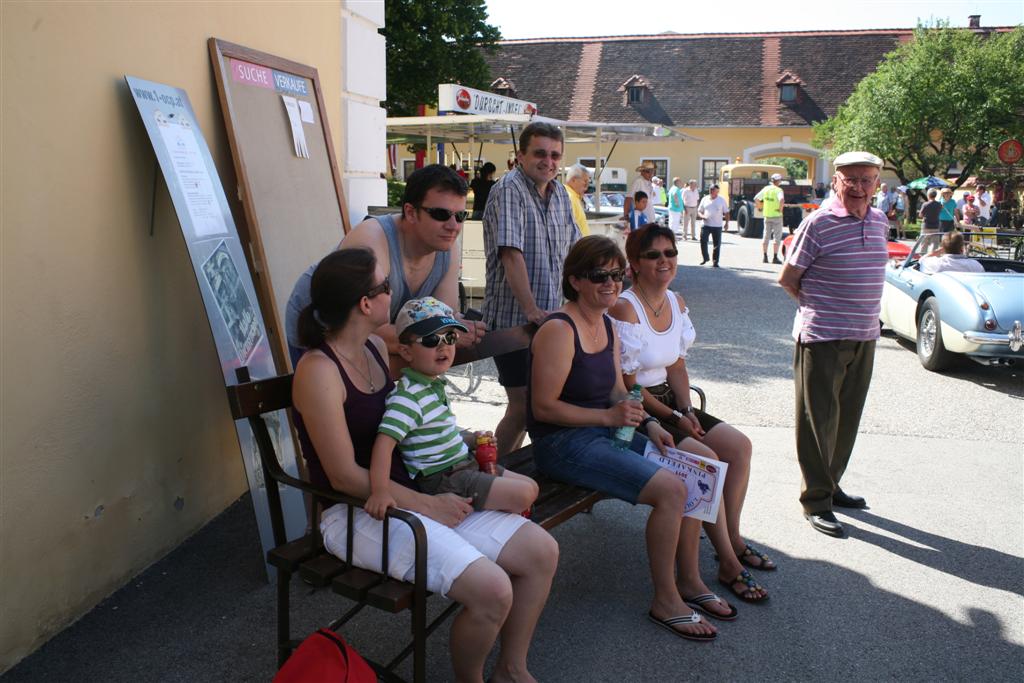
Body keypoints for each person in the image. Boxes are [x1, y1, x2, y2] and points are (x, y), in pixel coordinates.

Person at [291, 248, 558, 683]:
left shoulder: (377, 347)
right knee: (492, 590)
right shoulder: (319, 371)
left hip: (413, 492)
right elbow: (341, 475)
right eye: (385, 288)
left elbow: (416, 405)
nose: (391, 295)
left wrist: (461, 443)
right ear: (365, 303)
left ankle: (511, 669)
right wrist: (426, 505)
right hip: (356, 509)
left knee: (541, 552)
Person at [528, 235, 719, 641]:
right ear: (575, 280)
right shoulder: (560, 330)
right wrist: (610, 416)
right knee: (671, 489)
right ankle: (666, 598)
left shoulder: (608, 326)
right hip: (565, 444)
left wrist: (649, 423)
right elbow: (542, 409)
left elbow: (620, 390)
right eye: (599, 275)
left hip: (606, 431)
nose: (611, 283)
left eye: (617, 274)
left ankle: (690, 579)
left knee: (697, 469)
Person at [610, 225, 772, 602]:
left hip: (671, 400)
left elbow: (678, 367)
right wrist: (675, 415)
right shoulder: (625, 307)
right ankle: (726, 563)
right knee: (707, 461)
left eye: (670, 253)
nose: (664, 261)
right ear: (634, 263)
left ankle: (733, 539)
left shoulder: (677, 302)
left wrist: (687, 410)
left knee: (739, 446)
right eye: (653, 255)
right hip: (640, 408)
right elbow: (629, 384)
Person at [778, 151, 889, 538]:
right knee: (816, 421)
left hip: (865, 336)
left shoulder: (879, 221)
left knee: (845, 419)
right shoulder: (818, 223)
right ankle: (816, 500)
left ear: (877, 184)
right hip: (823, 336)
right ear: (836, 182)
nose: (859, 187)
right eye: (851, 180)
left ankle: (832, 483)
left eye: (867, 179)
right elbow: (788, 278)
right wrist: (819, 310)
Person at [284, 164, 486, 369]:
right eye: (441, 214)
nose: (453, 226)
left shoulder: (448, 248)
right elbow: (361, 328)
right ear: (411, 212)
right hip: (321, 329)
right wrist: (445, 335)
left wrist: (458, 328)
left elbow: (442, 318)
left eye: (461, 216)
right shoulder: (372, 240)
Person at [366, 297, 539, 520]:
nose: (442, 346)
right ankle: (498, 518)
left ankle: (502, 513)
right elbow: (383, 445)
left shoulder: (433, 386)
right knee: (524, 494)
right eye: (430, 339)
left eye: (449, 337)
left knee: (530, 486)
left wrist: (471, 440)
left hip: (463, 465)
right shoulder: (407, 398)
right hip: (443, 479)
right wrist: (380, 492)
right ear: (406, 352)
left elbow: (439, 435)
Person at [483, 122, 580, 457]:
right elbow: (511, 253)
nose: (548, 161)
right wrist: (530, 310)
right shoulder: (510, 188)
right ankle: (492, 475)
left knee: (543, 405)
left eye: (555, 155)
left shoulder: (561, 195)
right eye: (539, 153)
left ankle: (514, 474)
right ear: (520, 155)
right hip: (515, 324)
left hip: (549, 322)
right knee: (523, 407)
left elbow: (576, 253)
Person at [919, 230, 984, 274]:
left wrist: (937, 251)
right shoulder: (975, 265)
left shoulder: (935, 263)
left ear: (943, 248)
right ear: (962, 248)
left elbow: (922, 260)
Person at [755, 173, 785, 264]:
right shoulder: (779, 190)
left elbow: (756, 198)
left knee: (766, 236)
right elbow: (781, 200)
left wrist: (760, 206)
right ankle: (775, 257)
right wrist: (780, 209)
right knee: (777, 237)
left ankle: (765, 256)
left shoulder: (766, 189)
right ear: (778, 181)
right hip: (776, 216)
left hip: (767, 215)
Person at [697, 185, 729, 267]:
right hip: (705, 225)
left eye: (713, 190)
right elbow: (699, 211)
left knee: (717, 245)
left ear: (717, 191)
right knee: (703, 241)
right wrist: (702, 216)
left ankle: (715, 262)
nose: (711, 191)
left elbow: (726, 212)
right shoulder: (705, 199)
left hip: (717, 226)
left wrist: (726, 223)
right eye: (710, 189)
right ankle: (705, 258)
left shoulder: (721, 200)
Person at [624, 161, 657, 227]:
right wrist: (626, 216)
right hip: (640, 219)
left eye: (652, 171)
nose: (650, 174)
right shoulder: (638, 181)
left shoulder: (649, 183)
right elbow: (628, 198)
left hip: (649, 219)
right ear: (642, 172)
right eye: (648, 171)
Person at [563, 164, 591, 236]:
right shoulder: (569, 198)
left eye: (588, 182)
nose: (587, 187)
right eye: (585, 181)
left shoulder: (572, 196)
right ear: (573, 180)